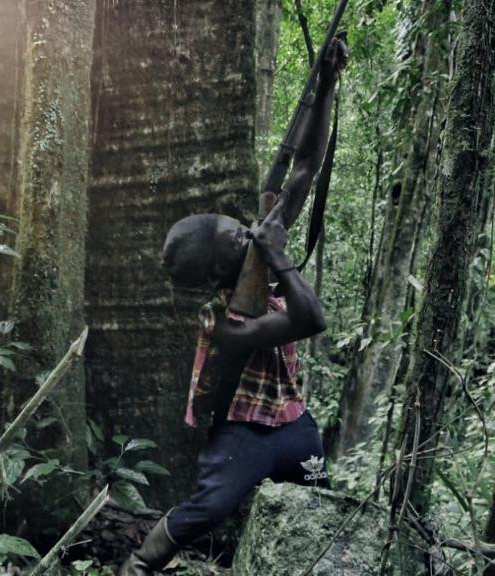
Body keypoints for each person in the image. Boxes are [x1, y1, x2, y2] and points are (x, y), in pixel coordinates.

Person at [117, 38, 347, 576]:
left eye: (244, 227)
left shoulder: (258, 254)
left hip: (292, 422)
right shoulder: (218, 321)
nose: (249, 231)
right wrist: (278, 255)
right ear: (220, 271)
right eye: (238, 238)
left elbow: (305, 168)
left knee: (320, 506)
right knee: (210, 507)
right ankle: (139, 564)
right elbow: (311, 319)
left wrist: (327, 85)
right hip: (242, 432)